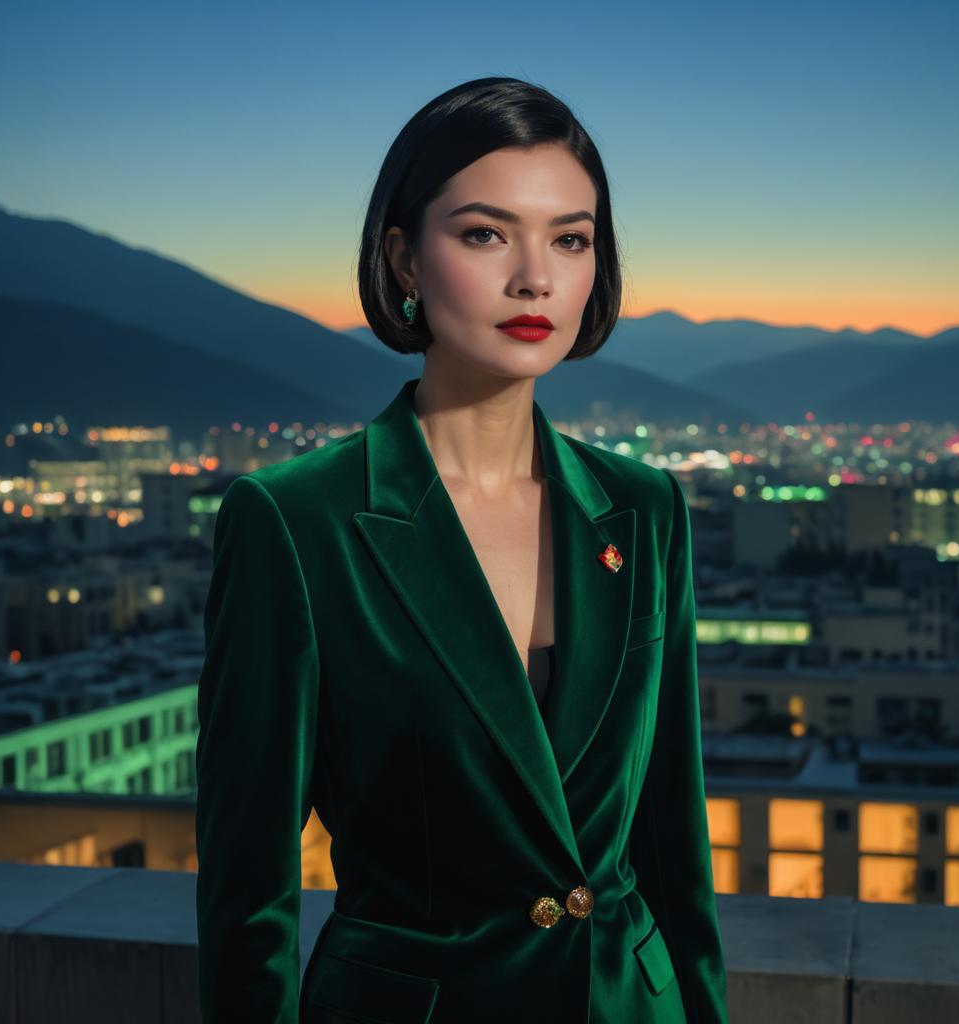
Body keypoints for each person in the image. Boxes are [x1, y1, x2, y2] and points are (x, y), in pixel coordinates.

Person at [195, 75, 729, 1024]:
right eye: (485, 234)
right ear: (403, 257)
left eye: (570, 239)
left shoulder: (646, 509)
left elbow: (673, 843)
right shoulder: (294, 522)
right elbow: (249, 893)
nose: (535, 278)